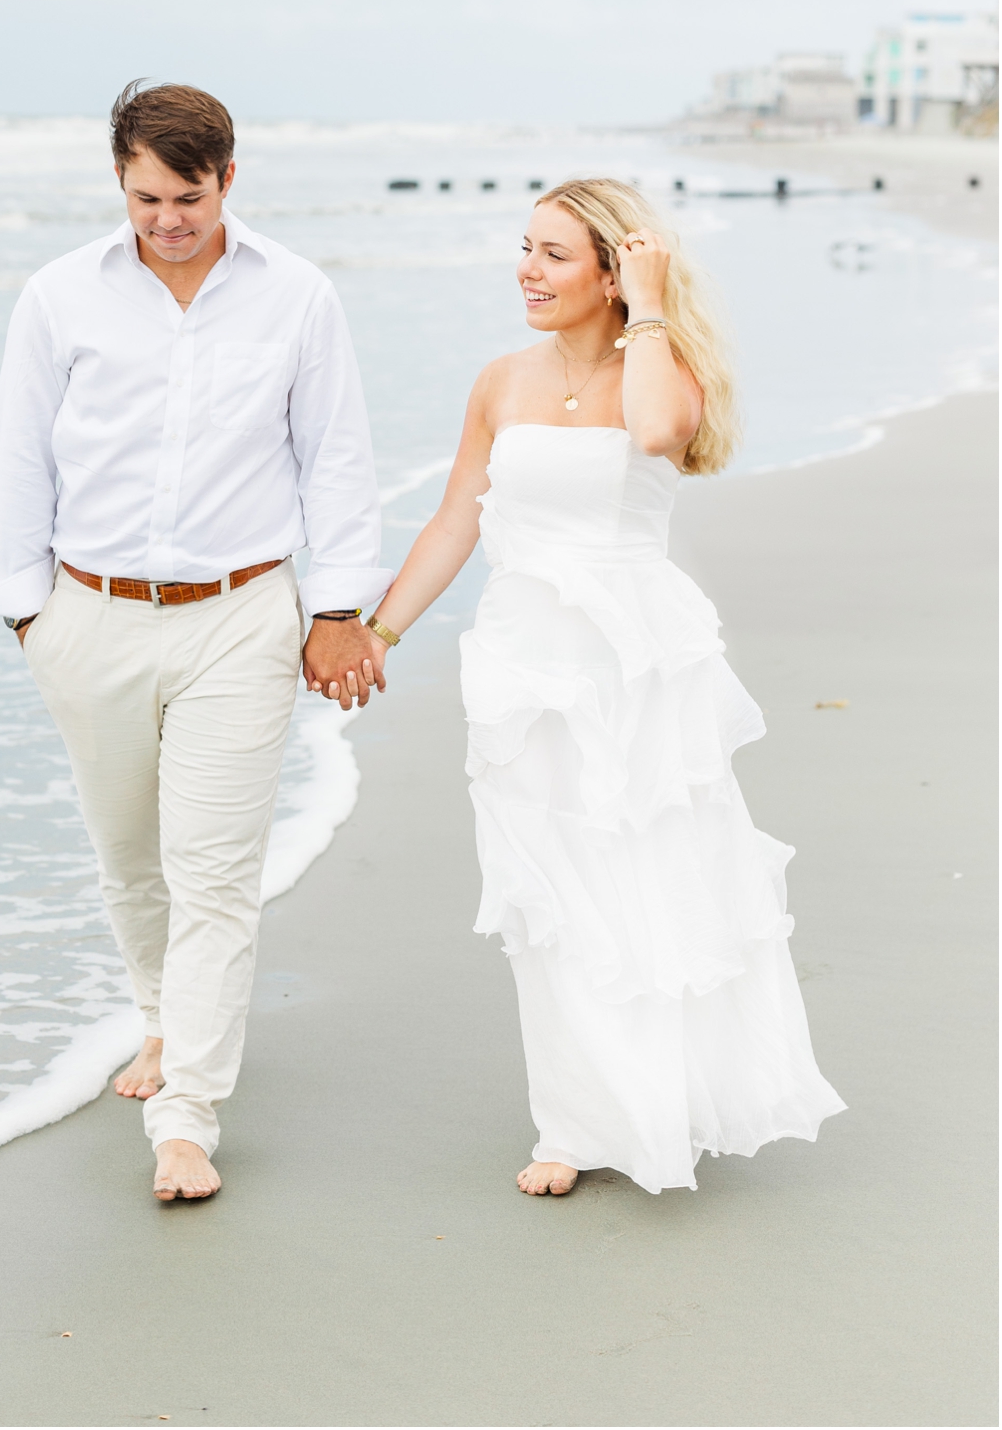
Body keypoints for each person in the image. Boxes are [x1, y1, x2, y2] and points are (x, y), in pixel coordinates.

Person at [359, 178, 846, 1197]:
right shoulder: (498, 381)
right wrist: (380, 630)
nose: (526, 272)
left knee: (644, 875)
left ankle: (662, 1100)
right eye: (523, 250)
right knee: (548, 892)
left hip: (634, 663)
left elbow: (664, 433)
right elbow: (455, 520)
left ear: (612, 273)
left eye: (552, 255)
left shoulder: (656, 366)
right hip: (518, 664)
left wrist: (656, 304)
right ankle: (572, 1123)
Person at [0, 81, 389, 1202]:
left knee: (212, 875)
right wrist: (27, 611)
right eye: (147, 196)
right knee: (127, 857)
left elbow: (333, 458)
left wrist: (338, 609)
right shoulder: (58, 296)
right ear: (119, 180)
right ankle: (161, 1023)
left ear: (228, 181)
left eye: (188, 197)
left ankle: (187, 1117)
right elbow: (22, 460)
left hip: (240, 619)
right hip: (85, 615)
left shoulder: (296, 296)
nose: (167, 220)